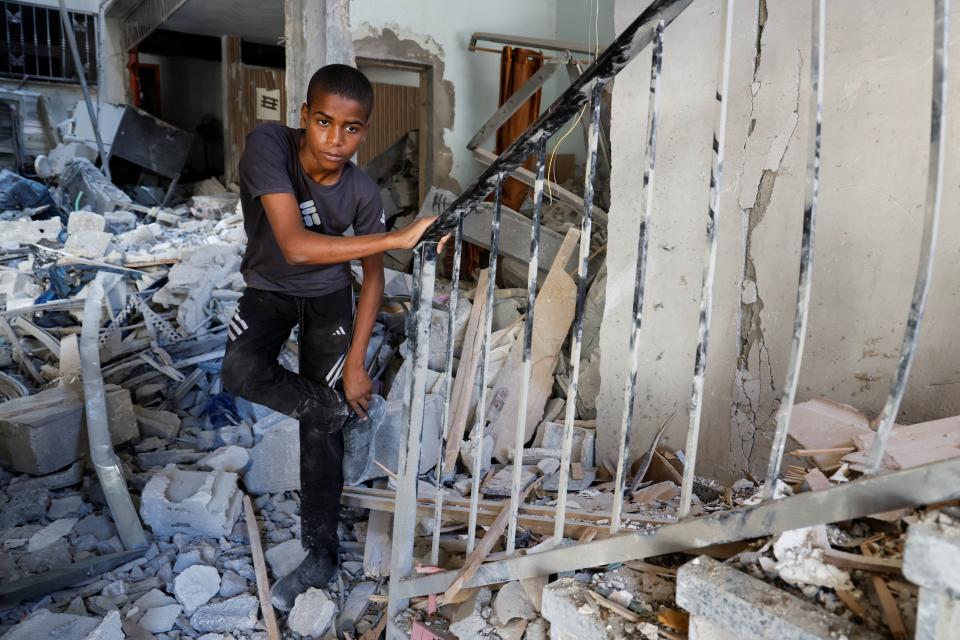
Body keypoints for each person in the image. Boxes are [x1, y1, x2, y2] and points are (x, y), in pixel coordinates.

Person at [221, 64, 436, 610]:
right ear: (303, 118)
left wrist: (359, 362)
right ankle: (331, 409)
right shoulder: (269, 146)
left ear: (365, 130)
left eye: (352, 128)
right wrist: (395, 236)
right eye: (323, 122)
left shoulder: (362, 191)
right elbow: (292, 245)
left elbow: (373, 280)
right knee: (241, 372)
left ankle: (320, 553)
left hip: (328, 298)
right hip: (268, 285)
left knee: (318, 428)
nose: (336, 139)